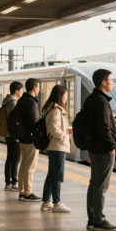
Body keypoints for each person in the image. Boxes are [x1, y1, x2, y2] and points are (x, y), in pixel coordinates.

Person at [84, 69, 116, 231]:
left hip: (94, 148)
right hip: (103, 149)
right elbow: (104, 127)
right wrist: (111, 145)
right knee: (101, 186)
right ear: (104, 82)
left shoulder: (91, 99)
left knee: (94, 184)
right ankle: (99, 219)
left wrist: (111, 121)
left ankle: (92, 219)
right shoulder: (102, 101)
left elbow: (97, 123)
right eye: (111, 80)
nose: (113, 83)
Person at [39, 85, 73, 213]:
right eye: (65, 95)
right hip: (57, 146)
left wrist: (65, 131)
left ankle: (46, 202)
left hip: (54, 146)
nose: (66, 98)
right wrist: (64, 135)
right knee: (58, 176)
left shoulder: (52, 108)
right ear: (60, 96)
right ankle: (57, 203)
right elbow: (54, 129)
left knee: (52, 175)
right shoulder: (56, 110)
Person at [17, 78, 42, 201]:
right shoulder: (32, 102)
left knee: (23, 165)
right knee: (30, 167)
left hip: (22, 138)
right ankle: (28, 193)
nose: (39, 90)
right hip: (31, 139)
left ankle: (22, 191)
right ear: (35, 88)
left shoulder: (21, 100)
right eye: (38, 87)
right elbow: (34, 122)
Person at [2, 82, 23, 191]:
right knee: (15, 159)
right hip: (13, 135)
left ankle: (8, 182)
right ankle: (13, 182)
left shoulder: (7, 101)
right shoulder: (13, 103)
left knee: (10, 158)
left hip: (8, 134)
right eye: (21, 90)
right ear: (16, 91)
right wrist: (17, 135)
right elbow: (14, 121)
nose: (22, 92)